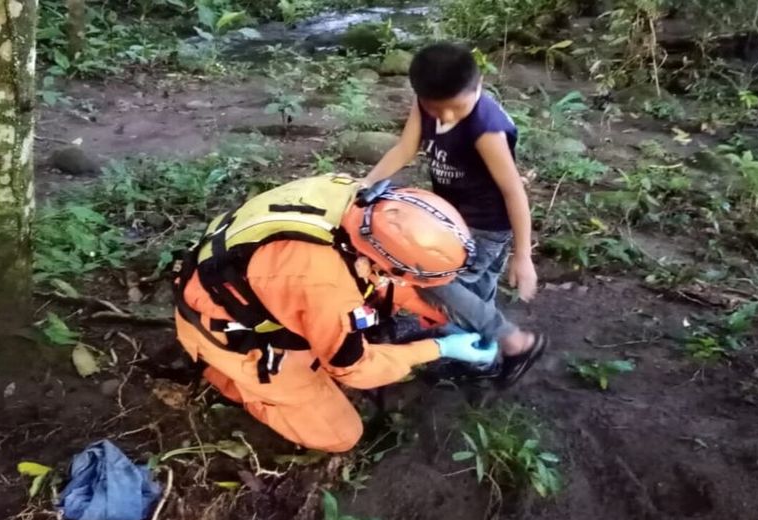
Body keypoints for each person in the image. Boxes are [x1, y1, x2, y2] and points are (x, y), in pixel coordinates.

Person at [172, 174, 498, 453]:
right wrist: (438, 348)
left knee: (359, 314)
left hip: (243, 275)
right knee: (342, 435)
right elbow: (354, 370)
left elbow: (381, 277)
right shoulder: (325, 285)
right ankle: (230, 380)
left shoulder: (358, 197)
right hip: (222, 328)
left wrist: (438, 314)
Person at [362, 42, 546, 387]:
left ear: (477, 86)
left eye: (455, 109)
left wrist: (523, 256)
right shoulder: (426, 103)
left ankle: (512, 341)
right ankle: (481, 357)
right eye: (437, 110)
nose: (445, 118)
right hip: (450, 217)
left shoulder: (486, 129)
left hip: (486, 225)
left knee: (433, 281)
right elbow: (405, 147)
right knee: (475, 291)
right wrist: (367, 183)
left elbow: (513, 192)